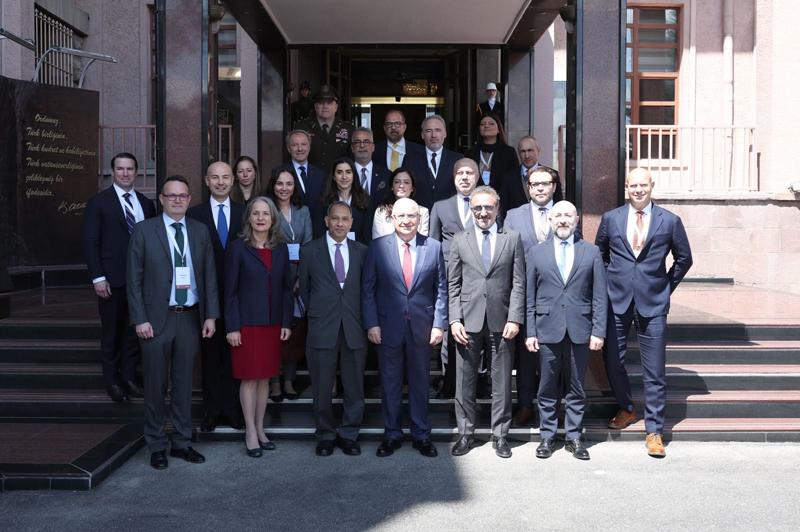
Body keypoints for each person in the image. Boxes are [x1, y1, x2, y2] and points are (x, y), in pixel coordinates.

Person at [595, 168, 693, 458]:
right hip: (617, 301)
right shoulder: (610, 219)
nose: (638, 190)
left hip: (653, 303)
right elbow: (600, 254)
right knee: (612, 360)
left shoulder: (670, 221)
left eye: (643, 185)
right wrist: (609, 283)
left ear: (652, 186)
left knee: (655, 370)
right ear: (626, 187)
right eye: (633, 185)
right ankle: (627, 408)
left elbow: (684, 259)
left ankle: (654, 431)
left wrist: (665, 287)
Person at [127, 175, 218, 470]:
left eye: (182, 195)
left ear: (189, 200)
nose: (177, 200)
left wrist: (210, 315)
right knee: (156, 384)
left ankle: (181, 442)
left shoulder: (200, 231)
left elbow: (209, 275)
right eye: (171, 195)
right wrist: (139, 319)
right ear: (162, 199)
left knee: (183, 384)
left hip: (189, 316)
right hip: (155, 319)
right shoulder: (144, 230)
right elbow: (133, 279)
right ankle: (156, 444)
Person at [363, 198, 448, 458]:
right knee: (390, 383)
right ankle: (392, 434)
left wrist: (439, 324)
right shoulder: (378, 247)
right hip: (387, 326)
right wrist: (372, 323)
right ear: (392, 219)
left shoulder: (434, 247)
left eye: (411, 216)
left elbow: (441, 289)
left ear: (419, 219)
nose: (406, 221)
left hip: (423, 327)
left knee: (420, 382)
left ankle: (422, 435)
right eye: (401, 216)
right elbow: (368, 290)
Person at [525, 201, 607, 460]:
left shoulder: (591, 252)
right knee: (547, 386)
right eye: (558, 215)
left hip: (580, 329)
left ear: (577, 220)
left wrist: (598, 331)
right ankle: (547, 436)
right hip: (546, 329)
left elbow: (599, 296)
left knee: (576, 386)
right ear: (550, 220)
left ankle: (574, 436)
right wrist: (530, 331)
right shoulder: (536, 253)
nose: (563, 220)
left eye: (568, 215)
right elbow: (529, 296)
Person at [447, 185, 525, 459]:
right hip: (467, 321)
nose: (483, 212)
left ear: (497, 208)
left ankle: (500, 435)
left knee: (501, 381)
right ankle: (465, 434)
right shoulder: (460, 239)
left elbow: (518, 282)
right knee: (464, 381)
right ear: (471, 209)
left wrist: (515, 317)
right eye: (477, 207)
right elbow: (453, 284)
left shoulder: (512, 238)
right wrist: (454, 319)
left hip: (502, 321)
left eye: (488, 207)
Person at [503, 165, 579, 427]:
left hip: (557, 295)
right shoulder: (513, 216)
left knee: (556, 353)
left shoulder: (565, 214)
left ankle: (556, 406)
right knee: (526, 354)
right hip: (524, 293)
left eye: (545, 183)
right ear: (528, 188)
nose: (540, 188)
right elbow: (507, 254)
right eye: (535, 184)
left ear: (554, 187)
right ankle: (525, 404)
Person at [83, 152, 156, 403]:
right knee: (112, 332)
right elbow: (91, 242)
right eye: (120, 169)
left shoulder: (146, 204)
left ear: (137, 172)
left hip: (141, 280)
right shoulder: (98, 203)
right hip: (111, 280)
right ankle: (112, 381)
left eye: (130, 169)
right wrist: (98, 277)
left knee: (133, 332)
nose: (125, 173)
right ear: (113, 172)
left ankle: (129, 377)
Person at [224, 197, 293, 457]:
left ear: (273, 218)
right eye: (256, 213)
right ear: (249, 218)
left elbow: (286, 289)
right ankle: (250, 431)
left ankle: (261, 428)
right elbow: (230, 291)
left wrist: (286, 321)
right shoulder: (237, 248)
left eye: (266, 213)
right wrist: (232, 326)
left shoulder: (281, 249)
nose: (261, 218)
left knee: (265, 378)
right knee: (250, 379)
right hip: (246, 325)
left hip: (272, 324)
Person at [298, 201, 368, 456]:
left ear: (351, 223)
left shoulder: (362, 251)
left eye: (344, 219)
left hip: (354, 326)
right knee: (321, 385)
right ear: (326, 221)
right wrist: (320, 311)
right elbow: (304, 290)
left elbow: (366, 290)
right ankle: (325, 434)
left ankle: (349, 434)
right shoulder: (310, 250)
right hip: (321, 326)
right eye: (335, 218)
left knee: (354, 385)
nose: (339, 223)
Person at [186, 161, 245, 432]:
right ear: (206, 181)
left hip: (238, 296)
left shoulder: (245, 212)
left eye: (225, 177)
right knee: (210, 356)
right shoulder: (194, 214)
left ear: (233, 181)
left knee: (235, 354)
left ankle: (232, 410)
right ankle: (211, 411)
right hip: (204, 297)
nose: (220, 182)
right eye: (215, 177)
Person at [428, 158, 480, 399]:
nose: (465, 177)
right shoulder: (441, 206)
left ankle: (478, 383)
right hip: (450, 277)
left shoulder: (487, 204)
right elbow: (433, 244)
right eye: (460, 173)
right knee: (451, 329)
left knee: (477, 328)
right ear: (454, 177)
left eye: (470, 173)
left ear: (477, 177)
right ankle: (449, 382)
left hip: (479, 277)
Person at [265, 169, 313, 401]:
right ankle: (274, 382)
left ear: (295, 187)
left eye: (289, 184)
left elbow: (309, 245)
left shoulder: (303, 211)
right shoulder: (267, 210)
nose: (284, 188)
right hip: (274, 278)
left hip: (299, 280)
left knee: (294, 332)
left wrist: (301, 279)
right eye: (280, 183)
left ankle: (289, 381)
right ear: (273, 186)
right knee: (275, 333)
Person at [272, 130, 327, 238]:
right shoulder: (279, 172)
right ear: (289, 148)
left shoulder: (321, 174)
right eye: (295, 145)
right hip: (291, 234)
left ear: (309, 147)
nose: (300, 149)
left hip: (318, 232)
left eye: (303, 144)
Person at [293, 84, 355, 172]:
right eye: (321, 103)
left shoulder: (349, 129)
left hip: (338, 179)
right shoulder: (302, 127)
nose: (325, 106)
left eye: (329, 103)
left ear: (336, 107)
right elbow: (293, 157)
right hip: (309, 178)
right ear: (315, 106)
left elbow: (352, 160)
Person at [408, 114, 460, 209]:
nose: (433, 135)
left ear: (445, 134)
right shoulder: (410, 159)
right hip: (419, 214)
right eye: (428, 131)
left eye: (438, 130)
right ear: (422, 135)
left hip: (448, 214)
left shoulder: (457, 159)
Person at [502, 136, 563, 211]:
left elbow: (558, 204)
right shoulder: (508, 177)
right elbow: (504, 207)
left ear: (538, 150)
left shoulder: (552, 175)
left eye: (530, 150)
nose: (527, 156)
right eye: (523, 151)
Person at [322, 157, 372, 243]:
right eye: (339, 172)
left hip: (359, 248)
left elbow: (368, 233)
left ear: (354, 175)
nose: (344, 177)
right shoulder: (325, 200)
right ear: (333, 176)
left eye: (348, 172)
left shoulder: (365, 199)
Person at [372, 167, 429, 239]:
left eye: (406, 182)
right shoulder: (381, 211)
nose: (401, 186)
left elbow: (423, 241)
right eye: (397, 182)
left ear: (412, 188)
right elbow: (378, 241)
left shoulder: (423, 212)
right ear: (392, 187)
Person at [466, 113, 518, 192]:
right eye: (482, 124)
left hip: (501, 197)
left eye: (491, 124)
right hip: (476, 196)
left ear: (498, 129)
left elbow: (514, 180)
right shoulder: (470, 153)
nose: (486, 126)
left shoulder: (508, 152)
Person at [351, 127, 391, 208]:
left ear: (373, 147)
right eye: (357, 142)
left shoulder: (386, 175)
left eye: (366, 142)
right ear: (352, 148)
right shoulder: (345, 173)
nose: (362, 145)